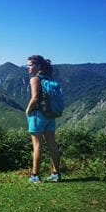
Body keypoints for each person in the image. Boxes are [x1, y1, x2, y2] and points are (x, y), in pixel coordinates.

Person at [25, 55, 61, 183]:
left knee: (37, 145)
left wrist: (27, 110)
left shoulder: (35, 79)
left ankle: (35, 175)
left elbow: (34, 98)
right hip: (50, 115)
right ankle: (55, 173)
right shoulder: (48, 78)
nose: (28, 68)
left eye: (30, 65)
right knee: (52, 144)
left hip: (38, 116)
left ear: (38, 66)